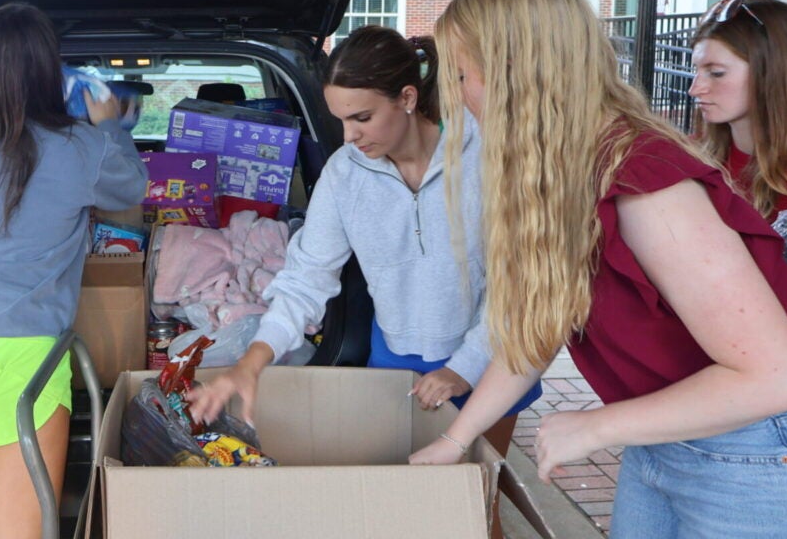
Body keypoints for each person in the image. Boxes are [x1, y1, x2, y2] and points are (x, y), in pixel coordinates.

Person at [407, 0, 787, 539]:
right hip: (667, 434)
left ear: (518, 74)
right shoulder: (569, 170)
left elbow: (777, 378)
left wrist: (597, 427)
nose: (457, 96)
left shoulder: (645, 182)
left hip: (757, 449)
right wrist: (454, 441)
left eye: (463, 75)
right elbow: (540, 324)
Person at [187, 26, 538, 459]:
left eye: (362, 118)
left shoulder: (485, 155)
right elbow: (305, 280)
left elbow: (521, 284)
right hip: (395, 363)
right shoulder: (344, 174)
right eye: (341, 120)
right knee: (402, 506)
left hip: (494, 355)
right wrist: (251, 362)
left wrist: (463, 368)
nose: (349, 136)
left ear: (407, 99)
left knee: (481, 503)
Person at [0, 2, 148, 539]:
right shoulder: (79, 146)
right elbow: (131, 189)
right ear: (49, 71)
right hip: (17, 355)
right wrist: (108, 123)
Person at [688, 0, 787, 380]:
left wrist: (746, 302)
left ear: (774, 72)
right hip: (720, 381)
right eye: (696, 71)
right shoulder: (693, 166)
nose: (696, 88)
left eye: (716, 73)